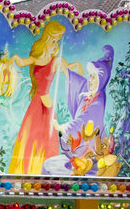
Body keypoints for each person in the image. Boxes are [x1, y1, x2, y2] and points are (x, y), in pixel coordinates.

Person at [7, 21, 83, 175]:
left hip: (46, 105)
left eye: (58, 41)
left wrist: (78, 66)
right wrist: (12, 58)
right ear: (47, 38)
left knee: (46, 140)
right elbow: (22, 62)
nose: (56, 44)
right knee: (29, 139)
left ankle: (42, 172)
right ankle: (27, 171)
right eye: (54, 40)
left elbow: (69, 70)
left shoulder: (56, 61)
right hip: (36, 103)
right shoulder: (36, 59)